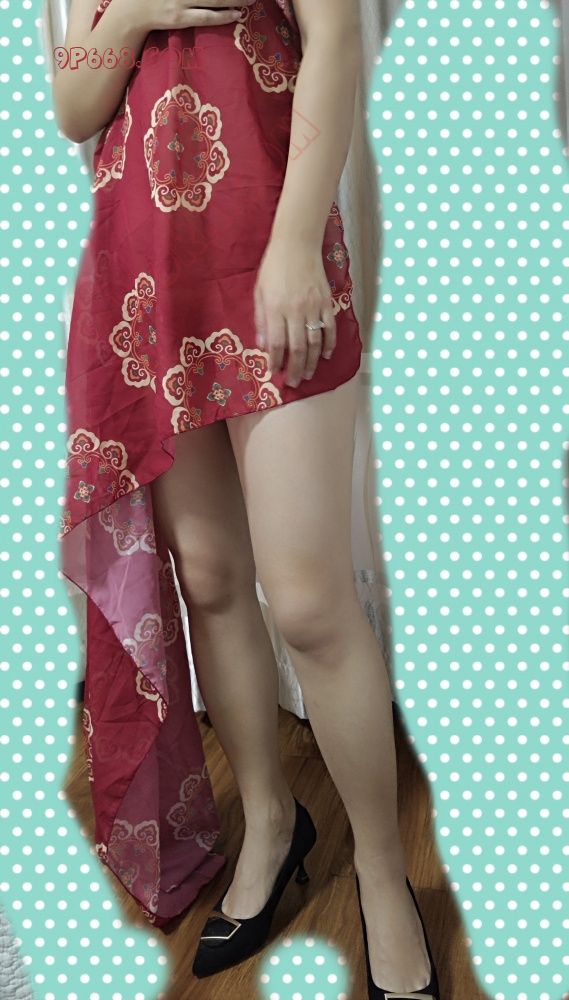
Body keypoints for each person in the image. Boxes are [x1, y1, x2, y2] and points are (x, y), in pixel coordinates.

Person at [52, 1, 440, 996]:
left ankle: (381, 877)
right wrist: (135, 12)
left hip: (271, 252)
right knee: (212, 578)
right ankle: (269, 820)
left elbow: (333, 40)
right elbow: (74, 103)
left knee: (308, 599)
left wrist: (297, 242)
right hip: (147, 273)